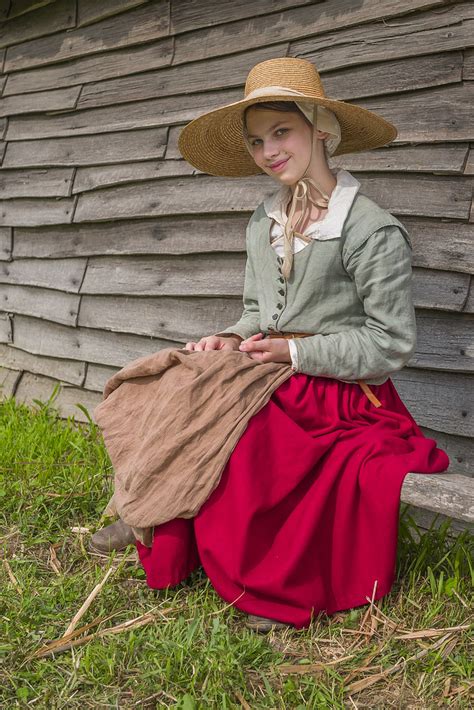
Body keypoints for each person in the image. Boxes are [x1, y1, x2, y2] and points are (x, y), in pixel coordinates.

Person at [90, 57, 449, 631]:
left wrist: (294, 353)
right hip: (269, 366)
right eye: (257, 140)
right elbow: (259, 311)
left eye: (282, 132)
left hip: (339, 391)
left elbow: (390, 344)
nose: (269, 150)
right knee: (169, 383)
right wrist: (228, 338)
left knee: (251, 433)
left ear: (320, 129)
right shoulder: (266, 220)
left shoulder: (369, 229)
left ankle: (273, 580)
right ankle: (150, 516)